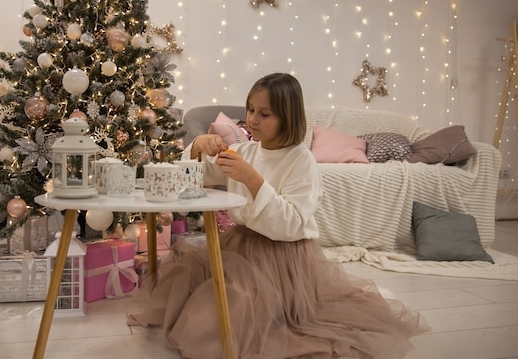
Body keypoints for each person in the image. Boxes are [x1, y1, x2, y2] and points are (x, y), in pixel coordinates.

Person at [128, 73, 424, 359]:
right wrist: (197, 150)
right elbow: (197, 177)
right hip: (238, 246)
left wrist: (253, 180)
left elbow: (292, 221)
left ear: (287, 117)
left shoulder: (300, 160)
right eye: (251, 109)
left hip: (281, 257)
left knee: (232, 316)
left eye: (265, 114)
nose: (253, 119)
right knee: (195, 294)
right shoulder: (244, 150)